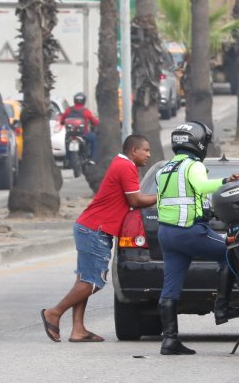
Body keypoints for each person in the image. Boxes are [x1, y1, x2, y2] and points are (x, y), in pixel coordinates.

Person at [41, 135, 157, 343]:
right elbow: (136, 200)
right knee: (94, 282)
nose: (149, 154)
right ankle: (54, 312)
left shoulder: (124, 164)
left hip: (90, 227)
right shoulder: (125, 166)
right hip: (95, 229)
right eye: (146, 150)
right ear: (134, 151)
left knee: (84, 279)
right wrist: (164, 196)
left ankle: (78, 329)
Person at [156, 121, 239, 355]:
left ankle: (169, 340)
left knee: (170, 288)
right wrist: (227, 181)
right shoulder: (191, 165)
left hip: (167, 235)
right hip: (190, 232)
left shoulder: (164, 169)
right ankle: (222, 307)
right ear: (198, 144)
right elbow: (202, 185)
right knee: (231, 251)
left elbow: (185, 196)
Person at [59, 92, 99, 160]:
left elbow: (62, 121)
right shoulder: (86, 111)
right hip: (84, 134)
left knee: (67, 141)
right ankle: (93, 159)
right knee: (94, 139)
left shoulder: (69, 110)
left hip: (70, 134)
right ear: (84, 101)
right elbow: (94, 122)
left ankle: (67, 159)